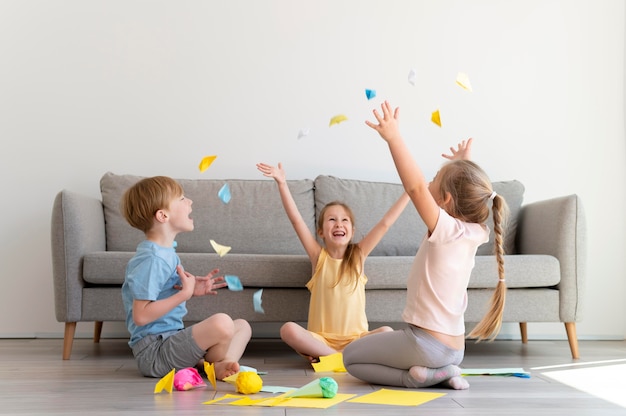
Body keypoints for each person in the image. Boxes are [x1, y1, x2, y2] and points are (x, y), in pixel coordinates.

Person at [342, 101, 509, 390]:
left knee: (350, 358)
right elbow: (469, 195)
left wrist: (393, 138)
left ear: (445, 200)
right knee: (379, 345)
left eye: (435, 180)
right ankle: (442, 372)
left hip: (426, 345)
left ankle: (415, 377)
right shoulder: (476, 232)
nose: (429, 182)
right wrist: (463, 166)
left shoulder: (445, 229)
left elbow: (416, 187)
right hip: (455, 348)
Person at [256, 162, 410, 362]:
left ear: (352, 231)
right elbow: (296, 221)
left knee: (387, 331)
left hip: (357, 339)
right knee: (288, 330)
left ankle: (333, 357)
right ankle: (339, 357)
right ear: (321, 232)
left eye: (344, 220)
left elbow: (385, 224)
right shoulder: (318, 257)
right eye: (331, 220)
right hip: (321, 341)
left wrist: (409, 192)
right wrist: (282, 184)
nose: (338, 224)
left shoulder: (359, 255)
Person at [120, 176, 251, 379]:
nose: (190, 202)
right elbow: (141, 316)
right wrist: (184, 295)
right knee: (222, 323)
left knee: (242, 326)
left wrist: (187, 288)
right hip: (154, 353)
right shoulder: (153, 259)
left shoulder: (165, 253)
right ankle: (210, 366)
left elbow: (161, 294)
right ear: (163, 215)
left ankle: (217, 366)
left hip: (170, 341)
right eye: (182, 199)